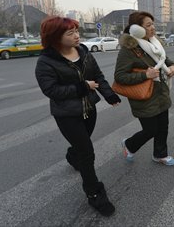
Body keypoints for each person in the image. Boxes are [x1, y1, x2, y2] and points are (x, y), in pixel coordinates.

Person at [35, 16, 121, 216]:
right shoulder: (46, 61)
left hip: (89, 109)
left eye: (76, 30)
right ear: (55, 37)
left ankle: (73, 155)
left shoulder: (83, 51)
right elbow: (51, 90)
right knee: (87, 152)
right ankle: (94, 193)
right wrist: (83, 87)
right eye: (70, 32)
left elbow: (98, 76)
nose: (76, 35)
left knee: (82, 145)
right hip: (67, 115)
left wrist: (109, 95)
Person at [114, 11, 174, 166]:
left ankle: (160, 154)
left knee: (163, 127)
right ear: (136, 29)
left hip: (161, 92)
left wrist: (172, 65)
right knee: (150, 130)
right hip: (145, 96)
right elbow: (120, 77)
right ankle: (129, 144)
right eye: (148, 25)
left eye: (152, 24)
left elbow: (164, 59)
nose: (153, 28)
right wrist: (145, 76)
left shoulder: (155, 43)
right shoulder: (129, 49)